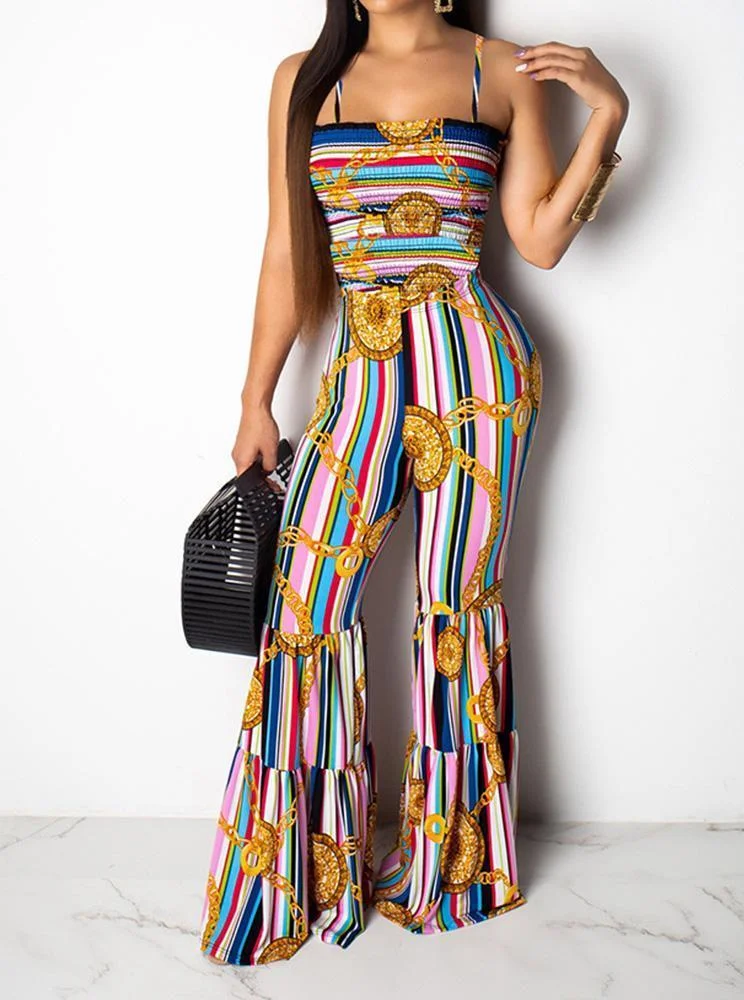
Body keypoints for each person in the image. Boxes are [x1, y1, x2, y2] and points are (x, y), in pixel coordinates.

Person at [199, 0, 628, 966]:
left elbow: (539, 241)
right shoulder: (303, 79)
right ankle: (300, 871)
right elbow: (287, 248)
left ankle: (453, 866)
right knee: (303, 608)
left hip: (478, 378)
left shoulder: (498, 68)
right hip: (359, 376)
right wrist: (256, 399)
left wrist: (607, 115)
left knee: (453, 606)